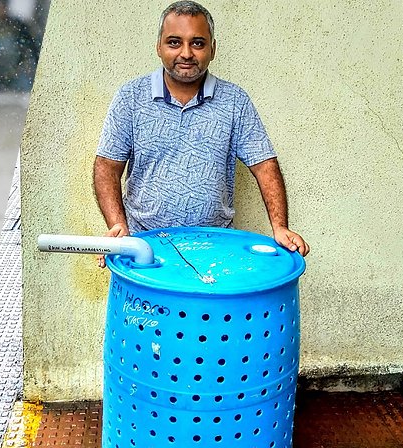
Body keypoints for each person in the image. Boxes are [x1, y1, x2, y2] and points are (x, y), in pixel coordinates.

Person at [93, 1, 309, 263]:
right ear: (158, 46)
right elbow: (107, 167)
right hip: (144, 250)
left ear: (213, 49)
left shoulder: (234, 101)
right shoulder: (130, 97)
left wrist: (280, 227)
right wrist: (118, 228)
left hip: (215, 251)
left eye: (197, 43)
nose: (186, 53)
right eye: (174, 42)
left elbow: (265, 166)